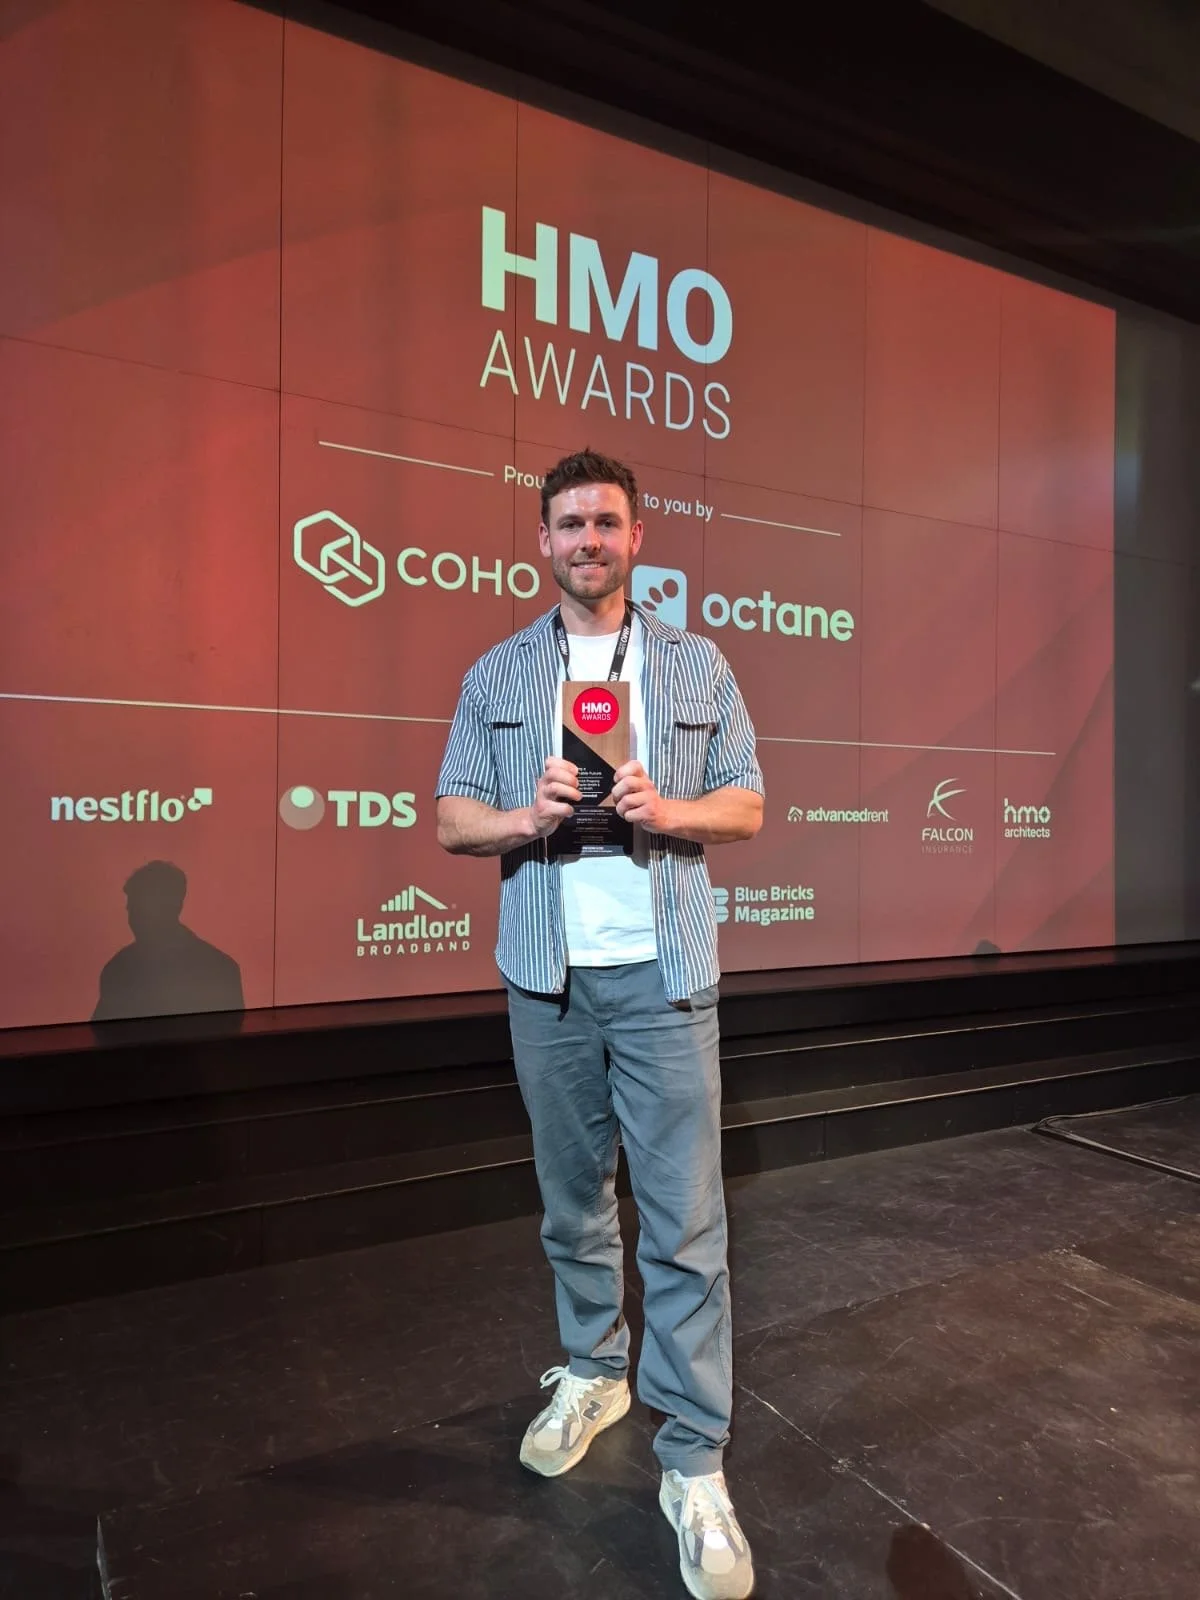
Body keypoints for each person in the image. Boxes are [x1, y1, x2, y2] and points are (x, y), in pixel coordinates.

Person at [435, 449, 764, 1600]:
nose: (589, 538)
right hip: (549, 978)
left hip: (666, 975)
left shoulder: (696, 661)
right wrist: (524, 817)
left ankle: (696, 1461)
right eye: (569, 522)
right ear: (542, 540)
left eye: (607, 522)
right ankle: (593, 1369)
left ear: (639, 536)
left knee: (684, 1225)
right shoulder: (495, 672)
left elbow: (752, 798)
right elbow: (449, 818)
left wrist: (668, 808)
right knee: (575, 1206)